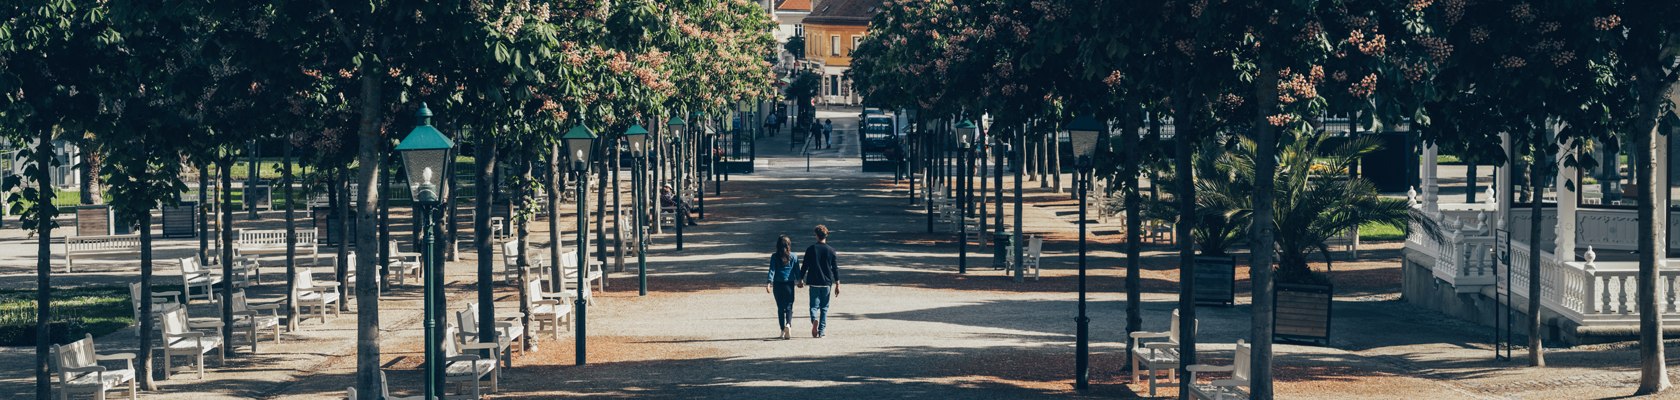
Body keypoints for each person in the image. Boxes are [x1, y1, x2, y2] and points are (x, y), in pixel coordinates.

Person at [796, 225, 839, 338]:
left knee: (813, 306)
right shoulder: (831, 250)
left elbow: (805, 266)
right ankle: (822, 330)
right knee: (824, 308)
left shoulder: (811, 249)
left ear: (816, 235)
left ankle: (814, 319)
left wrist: (800, 278)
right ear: (826, 235)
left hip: (814, 282)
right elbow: (835, 268)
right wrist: (838, 283)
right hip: (826, 283)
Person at [766, 235, 799, 340]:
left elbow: (772, 270)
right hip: (789, 284)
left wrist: (769, 283)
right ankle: (788, 324)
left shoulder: (774, 256)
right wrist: (800, 280)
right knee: (789, 306)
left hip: (778, 283)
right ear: (789, 245)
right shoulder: (793, 256)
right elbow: (797, 270)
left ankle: (782, 330)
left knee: (780, 307)